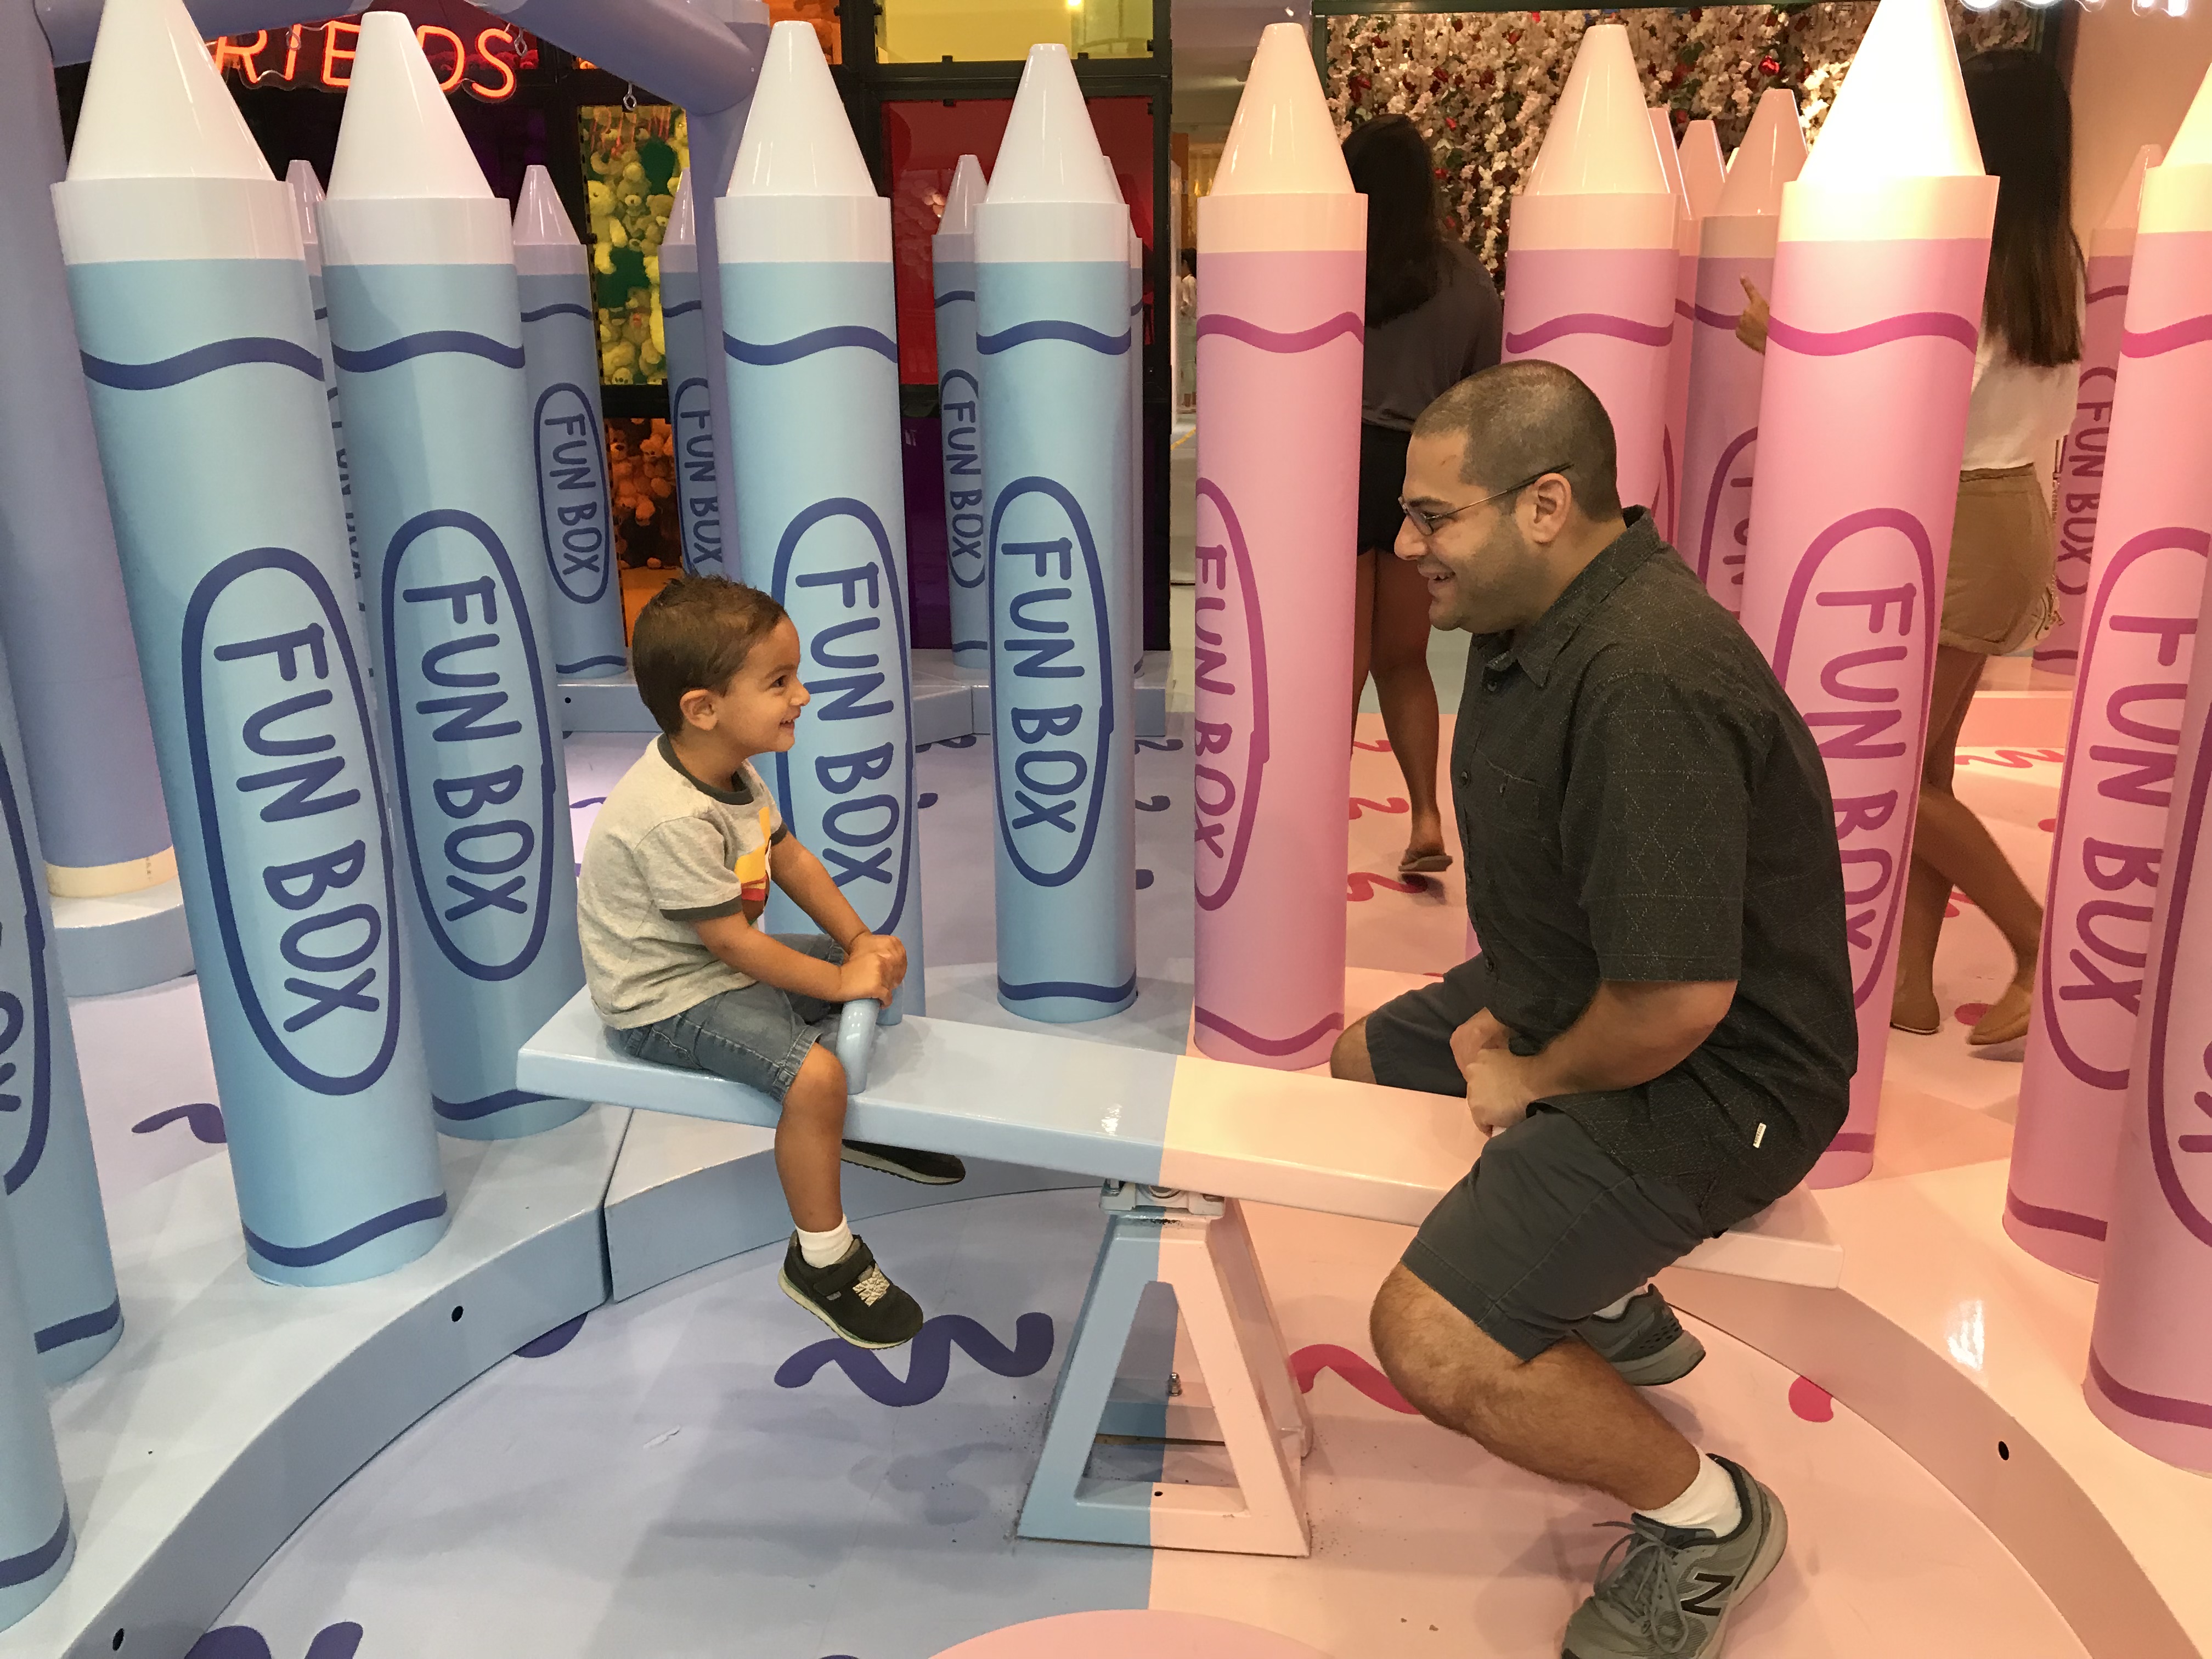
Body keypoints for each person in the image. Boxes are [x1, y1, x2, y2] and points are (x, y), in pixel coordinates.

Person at [1332, 362, 1854, 1657]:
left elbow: (1676, 1003)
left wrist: (1532, 1071)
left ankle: (1708, 1523)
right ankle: (1593, 1287)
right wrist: (1509, 1013)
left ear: (1547, 505)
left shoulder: (1648, 674)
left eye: (1433, 517)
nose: (1407, 545)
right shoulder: (1535, 615)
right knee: (1361, 1062)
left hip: (1721, 1077)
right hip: (1581, 979)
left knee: (1432, 1339)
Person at [1735, 49, 2080, 1047]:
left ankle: (2037, 942)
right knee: (1924, 765)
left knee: (1887, 769)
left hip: (1960, 512)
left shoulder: (1971, 260)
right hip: (2009, 507)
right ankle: (1908, 986)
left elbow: (1912, 391)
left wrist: (1782, 340)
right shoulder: (2048, 258)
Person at [577, 576, 964, 1351]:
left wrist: (858, 944)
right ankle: (824, 1258)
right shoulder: (672, 817)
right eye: (779, 682)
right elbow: (733, 945)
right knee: (814, 1075)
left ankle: (847, 1127)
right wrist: (842, 977)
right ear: (704, 709)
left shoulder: (728, 770)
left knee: (868, 977)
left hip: (711, 965)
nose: (802, 696)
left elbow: (789, 859)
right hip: (663, 999)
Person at [1344, 115, 1504, 874]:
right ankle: (1427, 819)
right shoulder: (1466, 281)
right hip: (1421, 475)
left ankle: (1315, 833)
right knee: (1405, 658)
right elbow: (1484, 394)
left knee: (1339, 666)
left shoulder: (1334, 262)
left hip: (1339, 465)